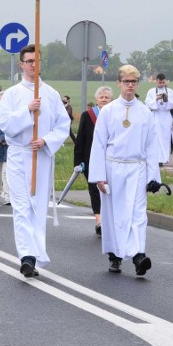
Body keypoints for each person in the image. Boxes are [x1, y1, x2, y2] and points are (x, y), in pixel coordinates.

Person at [0, 44, 71, 277]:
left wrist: (47, 141)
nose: (32, 65)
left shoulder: (51, 94)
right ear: (21, 64)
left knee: (38, 207)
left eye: (36, 61)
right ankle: (26, 256)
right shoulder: (11, 95)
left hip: (40, 157)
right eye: (28, 61)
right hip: (19, 155)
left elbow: (63, 125)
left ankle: (37, 253)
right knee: (21, 207)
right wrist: (28, 110)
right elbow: (6, 125)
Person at [89, 65, 161, 275]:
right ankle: (115, 255)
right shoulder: (108, 111)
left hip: (136, 168)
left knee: (138, 213)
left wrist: (153, 177)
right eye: (126, 81)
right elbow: (99, 144)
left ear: (138, 84)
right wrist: (98, 175)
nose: (130, 85)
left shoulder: (145, 112)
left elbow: (150, 146)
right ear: (118, 83)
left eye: (134, 82)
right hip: (112, 168)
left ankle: (138, 255)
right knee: (114, 214)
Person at [74, 86, 113, 235]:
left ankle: (108, 220)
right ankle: (99, 221)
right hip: (89, 160)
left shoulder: (114, 115)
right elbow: (80, 140)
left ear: (111, 100)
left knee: (109, 191)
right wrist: (77, 162)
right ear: (97, 99)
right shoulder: (88, 115)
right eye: (101, 97)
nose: (104, 99)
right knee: (94, 190)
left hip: (110, 160)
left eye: (107, 97)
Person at [144, 73, 173, 165]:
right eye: (159, 82)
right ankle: (157, 159)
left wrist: (167, 99)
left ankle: (164, 158)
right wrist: (156, 98)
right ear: (156, 81)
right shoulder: (151, 91)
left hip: (166, 115)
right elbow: (147, 104)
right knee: (156, 137)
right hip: (156, 115)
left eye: (163, 82)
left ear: (165, 81)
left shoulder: (170, 91)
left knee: (166, 137)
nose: (161, 84)